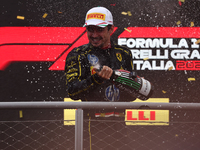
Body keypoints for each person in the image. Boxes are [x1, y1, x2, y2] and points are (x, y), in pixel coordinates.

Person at [65, 6, 136, 150]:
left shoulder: (124, 53)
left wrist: (135, 85)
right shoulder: (77, 54)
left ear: (111, 29)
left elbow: (132, 95)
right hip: (90, 124)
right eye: (90, 29)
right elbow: (72, 91)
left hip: (119, 123)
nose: (94, 34)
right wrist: (96, 79)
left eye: (100, 29)